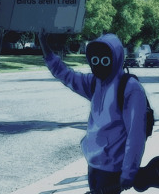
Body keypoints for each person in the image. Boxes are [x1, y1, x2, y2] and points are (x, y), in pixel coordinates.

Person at [38, 31, 147, 193]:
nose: (98, 65)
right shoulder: (95, 83)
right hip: (94, 164)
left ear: (115, 58)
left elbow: (136, 134)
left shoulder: (130, 88)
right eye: (94, 60)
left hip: (113, 169)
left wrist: (129, 171)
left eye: (104, 59)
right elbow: (67, 76)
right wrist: (45, 48)